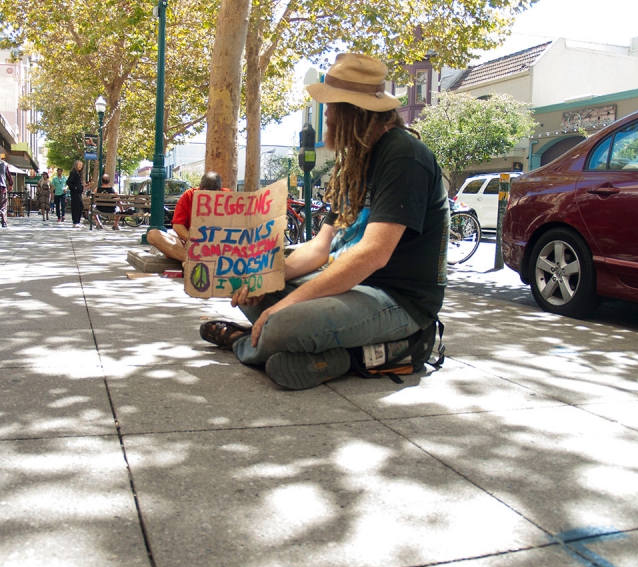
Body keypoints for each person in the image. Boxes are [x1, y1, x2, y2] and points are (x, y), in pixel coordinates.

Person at [199, 53, 449, 390]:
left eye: (332, 106)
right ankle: (293, 347)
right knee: (250, 280)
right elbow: (319, 249)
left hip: (395, 300)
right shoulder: (355, 161)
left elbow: (374, 253)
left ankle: (256, 342)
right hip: (346, 286)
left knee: (283, 324)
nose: (326, 114)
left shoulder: (404, 155)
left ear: (354, 110)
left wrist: (285, 305)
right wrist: (261, 278)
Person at [146, 171, 224, 261]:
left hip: (220, 247)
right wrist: (193, 240)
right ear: (199, 187)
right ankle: (196, 261)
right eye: (205, 194)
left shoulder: (228, 196)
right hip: (191, 243)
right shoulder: (189, 195)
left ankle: (202, 261)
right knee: (153, 235)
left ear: (220, 190)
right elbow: (177, 225)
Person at [66, 160, 84, 228]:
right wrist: (75, 188)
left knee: (80, 206)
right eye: (79, 165)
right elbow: (69, 182)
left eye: (81, 165)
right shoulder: (73, 173)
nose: (80, 166)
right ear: (76, 165)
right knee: (76, 207)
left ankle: (78, 221)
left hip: (79, 193)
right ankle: (75, 221)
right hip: (75, 193)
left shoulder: (79, 173)